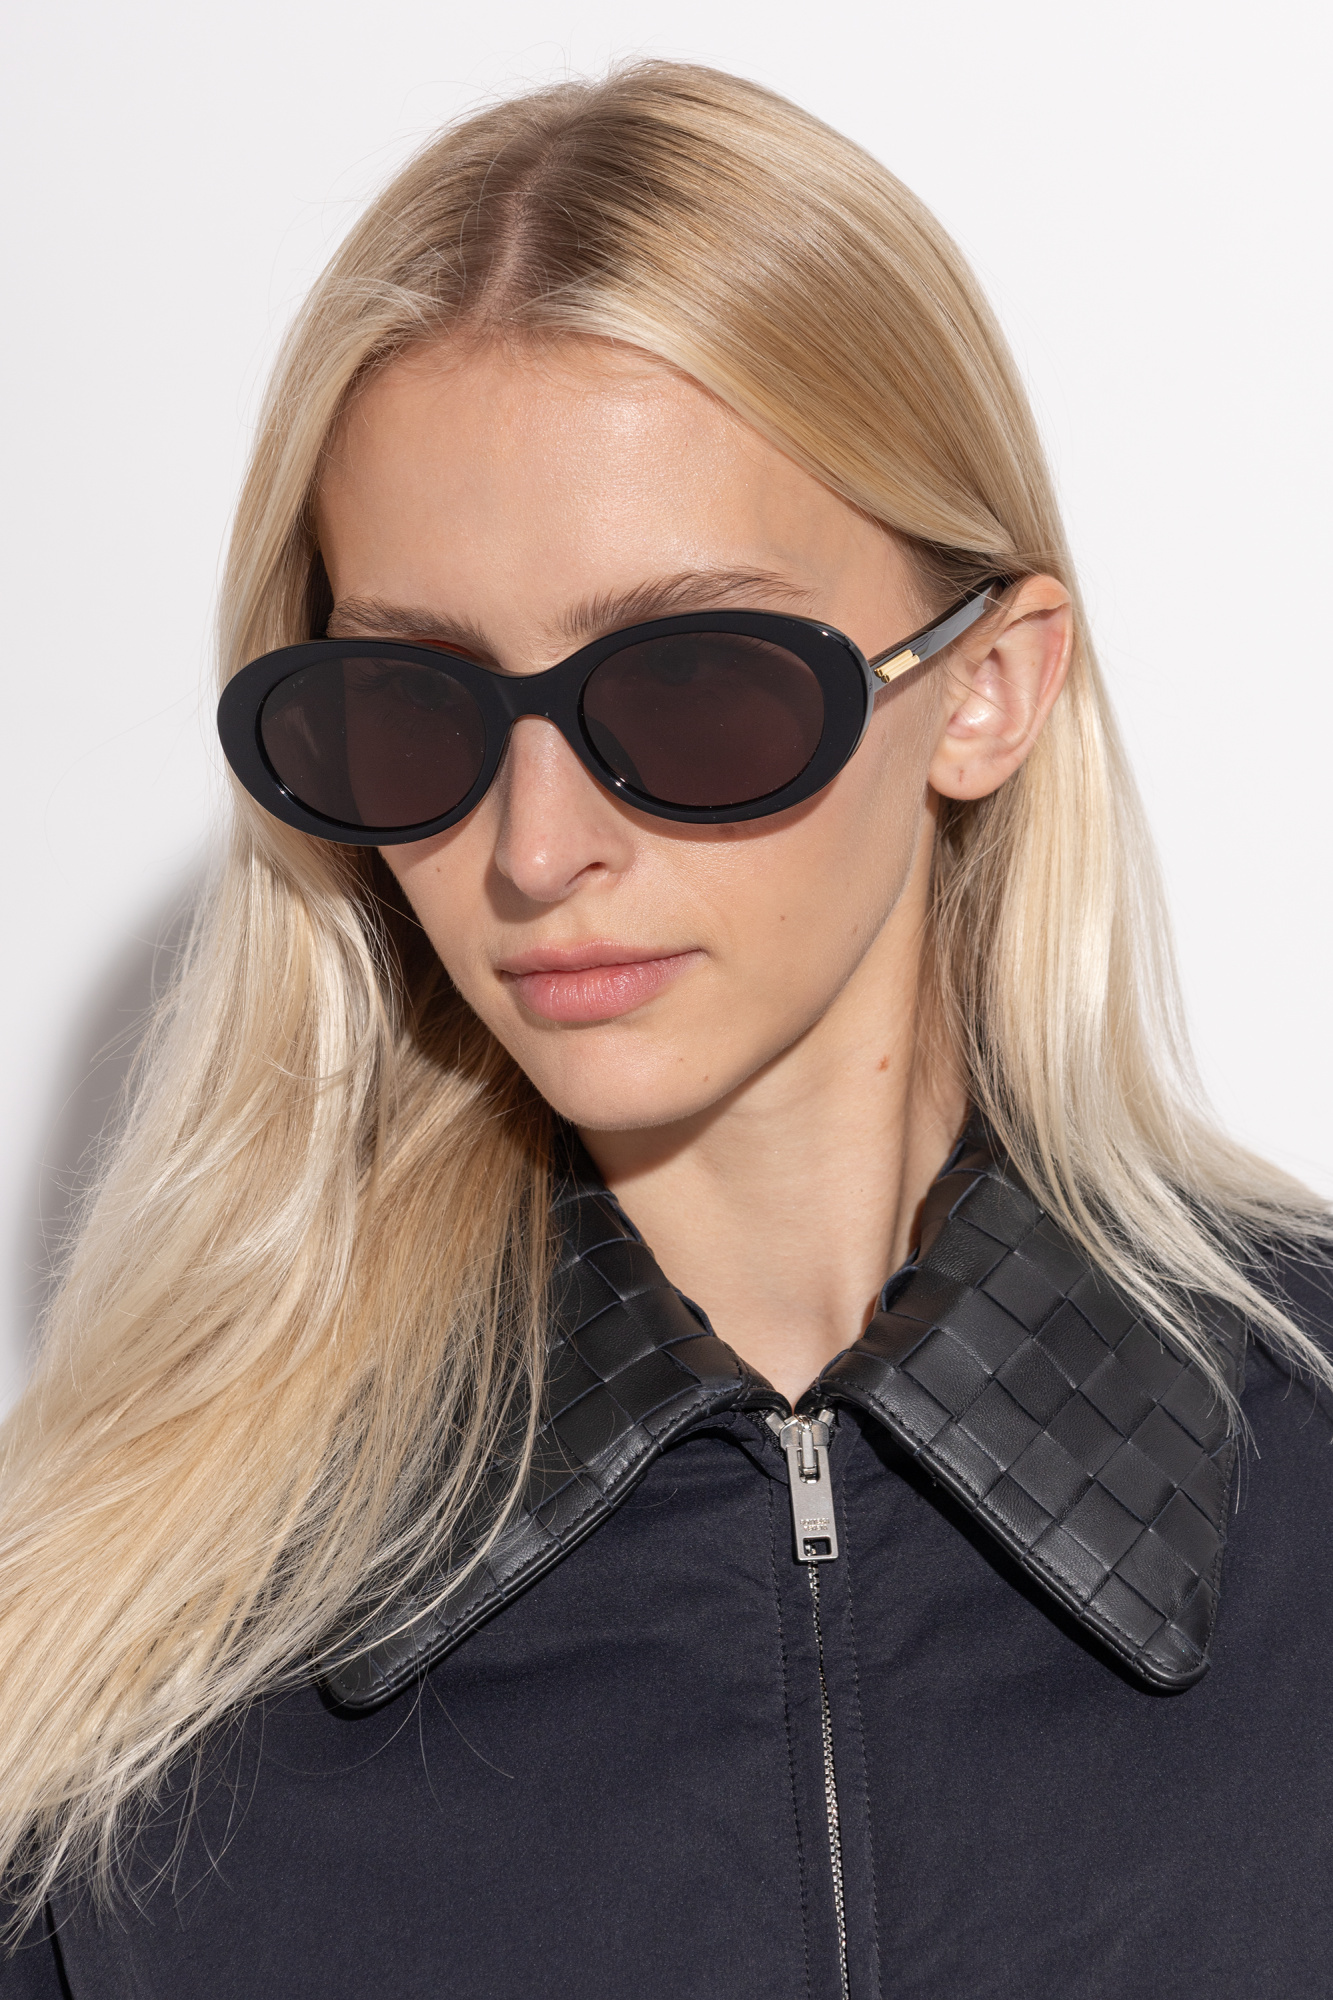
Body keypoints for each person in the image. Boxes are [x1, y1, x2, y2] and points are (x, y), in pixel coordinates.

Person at [2, 60, 1331, 2000]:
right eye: (413, 709)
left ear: (984, 689)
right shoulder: (106, 1672)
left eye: (695, 684)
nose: (535, 849)